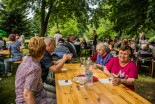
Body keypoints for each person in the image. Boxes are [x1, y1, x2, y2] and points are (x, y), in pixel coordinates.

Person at [15, 37, 57, 104]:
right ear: (43, 51)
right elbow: (27, 95)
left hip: (39, 93)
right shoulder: (34, 68)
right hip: (31, 99)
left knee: (58, 95)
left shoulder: (28, 58)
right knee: (60, 100)